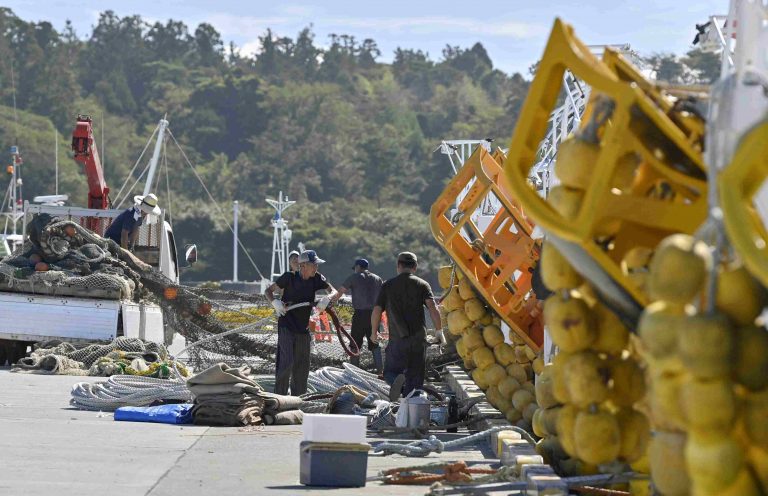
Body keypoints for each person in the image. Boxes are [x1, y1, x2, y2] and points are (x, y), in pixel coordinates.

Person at [371, 251, 441, 400]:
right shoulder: (423, 284)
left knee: (390, 372)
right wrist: (439, 331)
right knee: (415, 379)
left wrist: (373, 332)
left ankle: (399, 386)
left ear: (398, 266)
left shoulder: (388, 285)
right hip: (418, 341)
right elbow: (433, 309)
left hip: (397, 340)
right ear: (415, 267)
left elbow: (377, 310)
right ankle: (411, 404)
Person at [266, 250, 337, 395]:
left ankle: (299, 399)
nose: (316, 268)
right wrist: (274, 302)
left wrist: (327, 298)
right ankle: (279, 398)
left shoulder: (316, 278)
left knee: (302, 365)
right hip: (287, 324)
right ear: (303, 266)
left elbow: (334, 291)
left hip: (303, 328)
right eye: (314, 265)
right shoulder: (289, 277)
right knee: (286, 362)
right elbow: (268, 291)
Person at [332, 258, 383, 373]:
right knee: (375, 343)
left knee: (355, 344)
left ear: (357, 267)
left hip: (360, 314)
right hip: (374, 315)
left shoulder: (354, 277)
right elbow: (384, 296)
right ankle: (381, 371)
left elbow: (339, 292)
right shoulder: (377, 279)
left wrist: (330, 303)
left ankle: (354, 372)